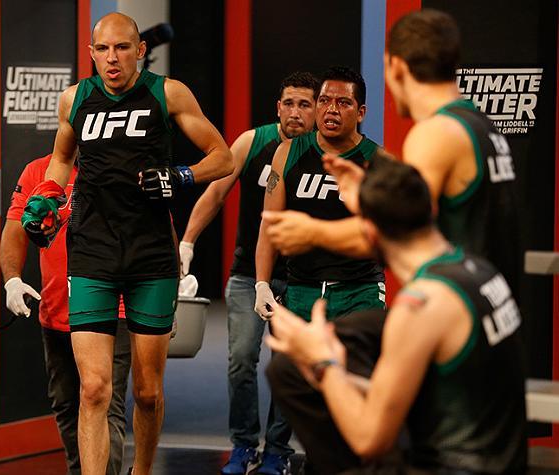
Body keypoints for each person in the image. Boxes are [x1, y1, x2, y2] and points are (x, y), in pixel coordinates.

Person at [25, 12, 233, 475]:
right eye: (103, 49)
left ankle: (141, 470)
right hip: (92, 254)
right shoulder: (74, 99)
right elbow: (61, 160)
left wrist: (181, 175)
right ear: (92, 53)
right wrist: (47, 196)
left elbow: (221, 158)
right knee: (94, 388)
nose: (112, 58)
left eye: (122, 48)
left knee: (146, 391)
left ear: (140, 50)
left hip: (150, 257)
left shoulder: (168, 93)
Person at [266, 158, 527, 474]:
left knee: (289, 370)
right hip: (499, 458)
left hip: (451, 467)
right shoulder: (479, 269)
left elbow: (368, 439)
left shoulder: (420, 306)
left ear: (369, 234)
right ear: (429, 209)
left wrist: (324, 363)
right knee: (296, 370)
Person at [262, 9, 520, 297]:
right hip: (493, 295)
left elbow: (395, 232)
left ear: (395, 66)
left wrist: (310, 232)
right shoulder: (477, 123)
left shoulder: (436, 134)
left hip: (461, 299)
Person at [178, 72, 320, 475]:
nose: (295, 112)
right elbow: (216, 193)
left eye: (305, 104)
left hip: (301, 280)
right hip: (246, 274)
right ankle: (243, 446)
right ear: (278, 107)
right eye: (289, 103)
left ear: (317, 109)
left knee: (287, 366)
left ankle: (277, 449)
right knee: (241, 359)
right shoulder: (251, 142)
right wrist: (187, 242)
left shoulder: (323, 152)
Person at [0, 154, 131, 475]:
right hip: (57, 310)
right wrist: (12, 279)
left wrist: (168, 288)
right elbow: (15, 226)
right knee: (67, 406)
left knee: (103, 404)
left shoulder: (125, 163)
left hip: (113, 311)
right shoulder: (38, 171)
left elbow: (159, 228)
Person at [255, 66, 385, 325]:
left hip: (360, 291)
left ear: (361, 113)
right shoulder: (287, 152)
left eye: (343, 103)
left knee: (357, 367)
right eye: (324, 101)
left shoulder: (378, 162)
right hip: (302, 289)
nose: (332, 109)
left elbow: (386, 236)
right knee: (298, 366)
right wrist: (262, 284)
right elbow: (270, 223)